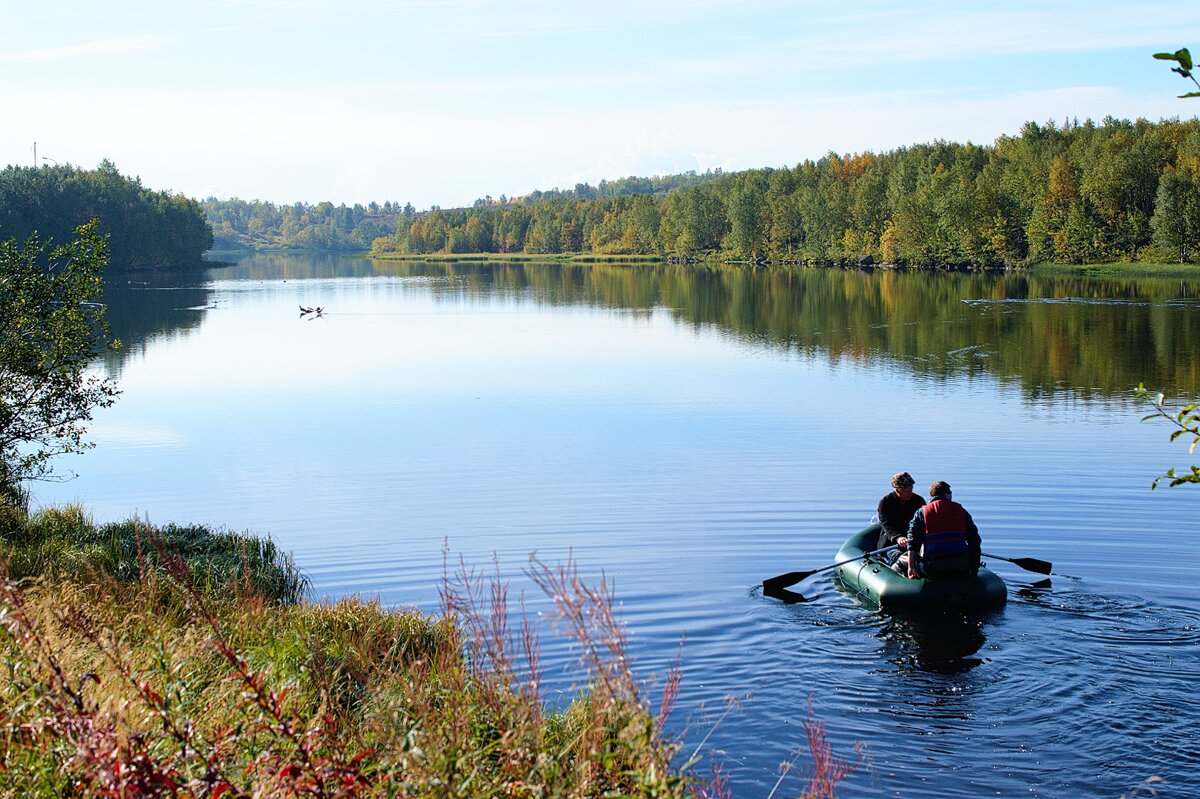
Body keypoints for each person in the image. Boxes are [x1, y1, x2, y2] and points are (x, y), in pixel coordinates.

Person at [904, 481, 982, 579]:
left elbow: (912, 541)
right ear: (946, 494)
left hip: (933, 569)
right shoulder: (961, 511)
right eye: (950, 493)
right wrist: (974, 568)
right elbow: (975, 541)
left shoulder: (922, 513)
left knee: (903, 560)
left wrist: (911, 567)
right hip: (961, 567)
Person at [876, 472, 924, 561]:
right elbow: (886, 524)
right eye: (906, 491)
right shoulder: (885, 502)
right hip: (891, 544)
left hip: (914, 541)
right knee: (897, 557)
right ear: (897, 490)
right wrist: (898, 537)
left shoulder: (918, 501)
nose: (910, 493)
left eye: (911, 490)